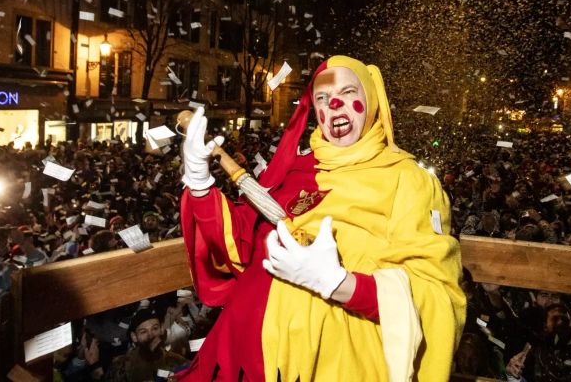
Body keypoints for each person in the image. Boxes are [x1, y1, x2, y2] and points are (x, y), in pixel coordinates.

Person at [178, 56, 466, 381]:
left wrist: (340, 284)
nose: (336, 104)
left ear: (371, 99)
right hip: (241, 360)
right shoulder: (298, 168)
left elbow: (436, 299)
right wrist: (200, 182)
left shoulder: (410, 181)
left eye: (348, 91)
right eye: (323, 98)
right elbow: (241, 245)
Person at [105, 307, 188, 382]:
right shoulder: (122, 366)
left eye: (155, 328)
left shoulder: (176, 361)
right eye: (143, 332)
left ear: (162, 329)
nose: (151, 335)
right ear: (134, 337)